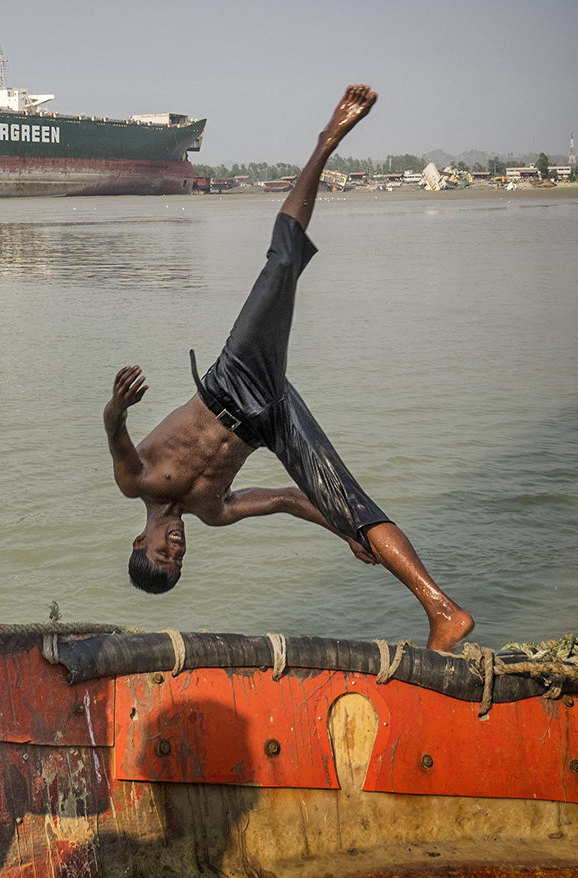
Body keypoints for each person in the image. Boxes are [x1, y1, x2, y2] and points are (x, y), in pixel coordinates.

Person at [103, 85, 474, 653]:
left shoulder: (138, 482)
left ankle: (327, 141)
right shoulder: (214, 510)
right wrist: (339, 526)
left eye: (162, 551)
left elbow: (115, 433)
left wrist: (118, 405)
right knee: (351, 504)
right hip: (272, 417)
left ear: (140, 539)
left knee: (281, 265)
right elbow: (283, 498)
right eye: (178, 556)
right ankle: (443, 611)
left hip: (234, 381)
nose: (175, 544)